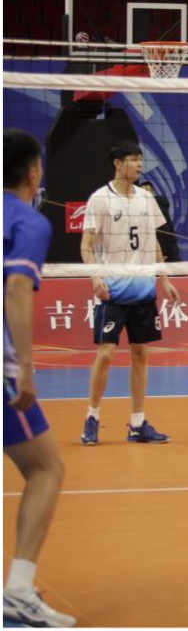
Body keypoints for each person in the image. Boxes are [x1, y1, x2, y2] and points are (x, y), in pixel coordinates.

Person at [3, 130, 76, 628]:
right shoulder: (27, 221)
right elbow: (16, 289)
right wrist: (25, 366)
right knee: (47, 469)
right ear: (34, 173)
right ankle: (19, 590)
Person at [81, 139, 180, 446]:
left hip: (143, 289)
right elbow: (86, 244)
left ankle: (137, 423)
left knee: (140, 353)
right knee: (106, 354)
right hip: (113, 289)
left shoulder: (146, 199)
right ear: (117, 163)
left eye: (140, 160)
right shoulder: (99, 199)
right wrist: (94, 276)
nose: (139, 165)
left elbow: (154, 243)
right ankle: (92, 417)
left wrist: (164, 277)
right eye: (133, 160)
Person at [138, 180, 180, 263]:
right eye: (142, 191)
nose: (145, 194)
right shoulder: (141, 207)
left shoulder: (158, 208)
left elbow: (163, 232)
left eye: (147, 191)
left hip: (164, 253)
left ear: (152, 192)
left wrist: (163, 253)